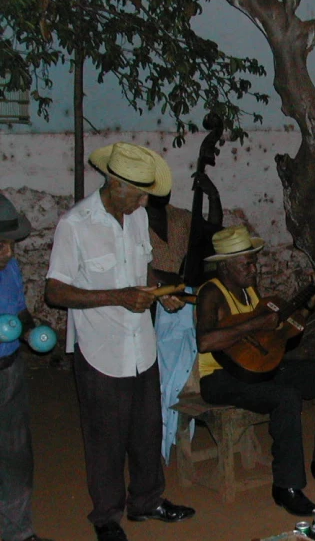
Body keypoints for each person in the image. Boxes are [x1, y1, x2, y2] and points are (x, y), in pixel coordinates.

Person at [44, 143, 195, 541]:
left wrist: (162, 291)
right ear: (115, 182)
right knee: (105, 438)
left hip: (141, 346)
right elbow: (55, 292)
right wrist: (118, 297)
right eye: (140, 192)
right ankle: (107, 517)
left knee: (146, 429)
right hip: (100, 350)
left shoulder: (138, 216)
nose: (146, 200)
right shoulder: (75, 224)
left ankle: (147, 502)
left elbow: (141, 270)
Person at [195, 225, 315, 517]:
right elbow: (205, 341)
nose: (254, 268)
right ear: (225, 266)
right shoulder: (211, 292)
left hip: (256, 369)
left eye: (254, 260)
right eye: (246, 263)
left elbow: (278, 336)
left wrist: (311, 301)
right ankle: (286, 488)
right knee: (285, 397)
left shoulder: (250, 290)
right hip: (219, 378)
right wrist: (255, 325)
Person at [146, 175, 223, 463]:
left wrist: (212, 194)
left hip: (182, 302)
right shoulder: (134, 222)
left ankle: (180, 424)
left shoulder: (180, 217)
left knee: (184, 367)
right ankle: (156, 432)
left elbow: (212, 229)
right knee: (159, 373)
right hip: (151, 303)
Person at [0, 193, 54, 541]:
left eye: (10, 244)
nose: (7, 253)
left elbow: (18, 311)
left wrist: (31, 330)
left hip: (9, 372)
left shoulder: (11, 268)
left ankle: (18, 532)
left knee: (15, 456)